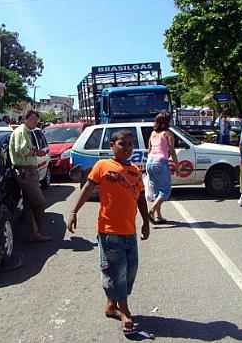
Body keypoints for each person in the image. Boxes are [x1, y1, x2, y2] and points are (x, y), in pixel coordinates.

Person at [67, 130, 150, 336]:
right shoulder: (103, 166)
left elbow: (140, 198)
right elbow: (87, 187)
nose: (127, 148)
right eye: (122, 144)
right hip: (109, 231)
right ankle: (125, 312)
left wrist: (146, 222)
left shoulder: (135, 171)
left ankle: (111, 305)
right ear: (112, 145)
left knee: (130, 270)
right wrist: (74, 211)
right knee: (117, 272)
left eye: (131, 144)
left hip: (129, 231)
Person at [9, 110, 51, 242]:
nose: (35, 121)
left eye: (36, 119)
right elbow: (21, 150)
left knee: (30, 204)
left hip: (28, 170)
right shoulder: (22, 132)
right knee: (40, 203)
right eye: (33, 119)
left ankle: (34, 234)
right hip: (25, 171)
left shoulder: (26, 132)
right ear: (25, 119)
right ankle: (36, 232)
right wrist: (35, 152)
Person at [146, 112, 179, 224]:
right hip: (160, 161)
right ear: (166, 122)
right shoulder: (167, 134)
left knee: (156, 190)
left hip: (150, 162)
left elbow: (149, 150)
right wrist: (177, 166)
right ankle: (151, 211)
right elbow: (172, 151)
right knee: (165, 190)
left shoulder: (153, 133)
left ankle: (158, 216)